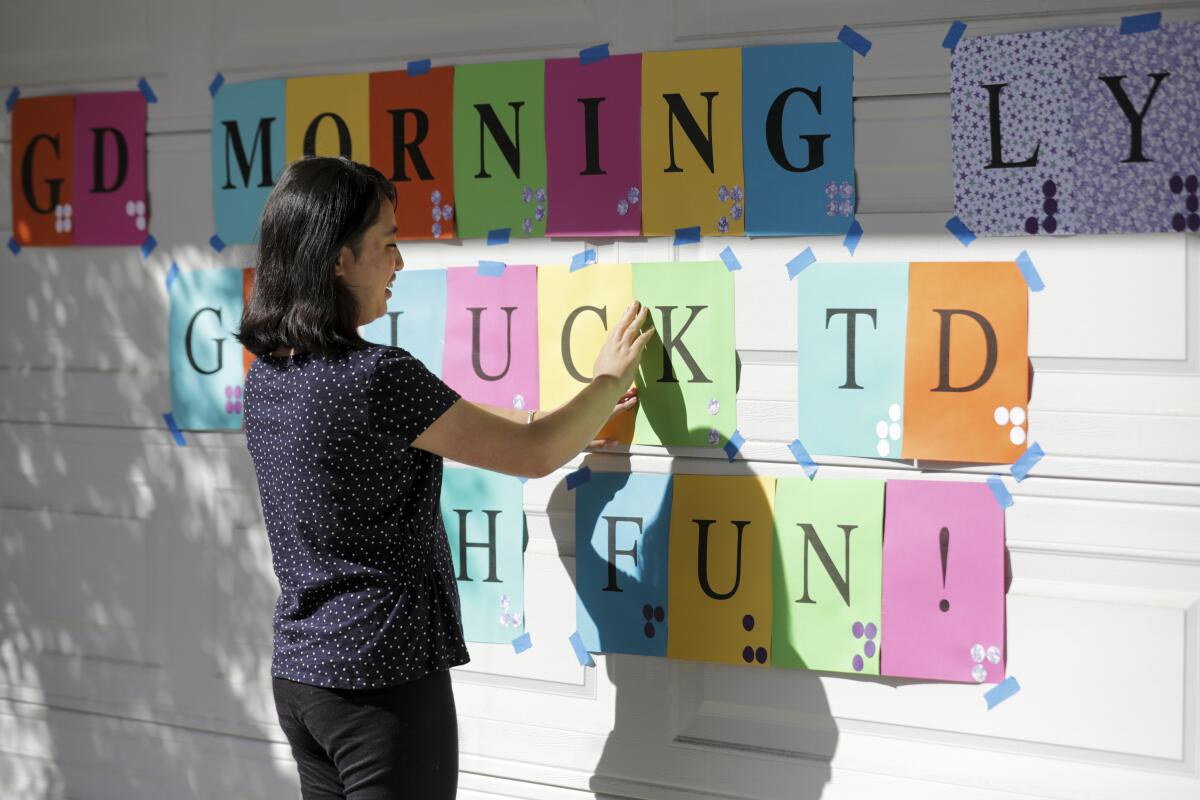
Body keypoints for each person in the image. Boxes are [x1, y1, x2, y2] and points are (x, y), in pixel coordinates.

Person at [236, 155, 652, 799]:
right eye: (389, 243)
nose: (400, 263)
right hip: (382, 681)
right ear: (339, 260)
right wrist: (608, 378)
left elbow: (494, 428)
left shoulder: (269, 377)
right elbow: (535, 452)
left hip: (304, 679)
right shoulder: (376, 376)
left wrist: (578, 417)